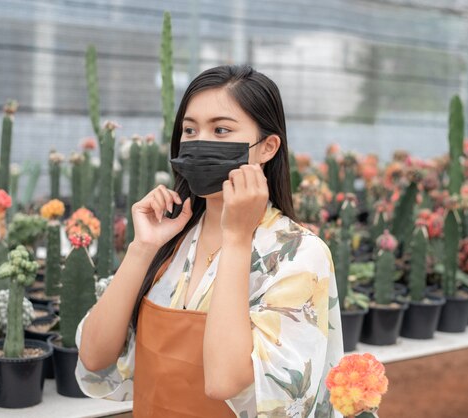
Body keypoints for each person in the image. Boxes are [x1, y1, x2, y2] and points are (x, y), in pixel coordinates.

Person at [76, 64, 343, 418]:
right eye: (190, 129)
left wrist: (236, 239)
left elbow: (224, 382)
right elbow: (94, 357)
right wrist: (142, 248)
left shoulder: (298, 255)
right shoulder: (172, 240)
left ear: (267, 147)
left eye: (221, 130)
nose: (200, 142)